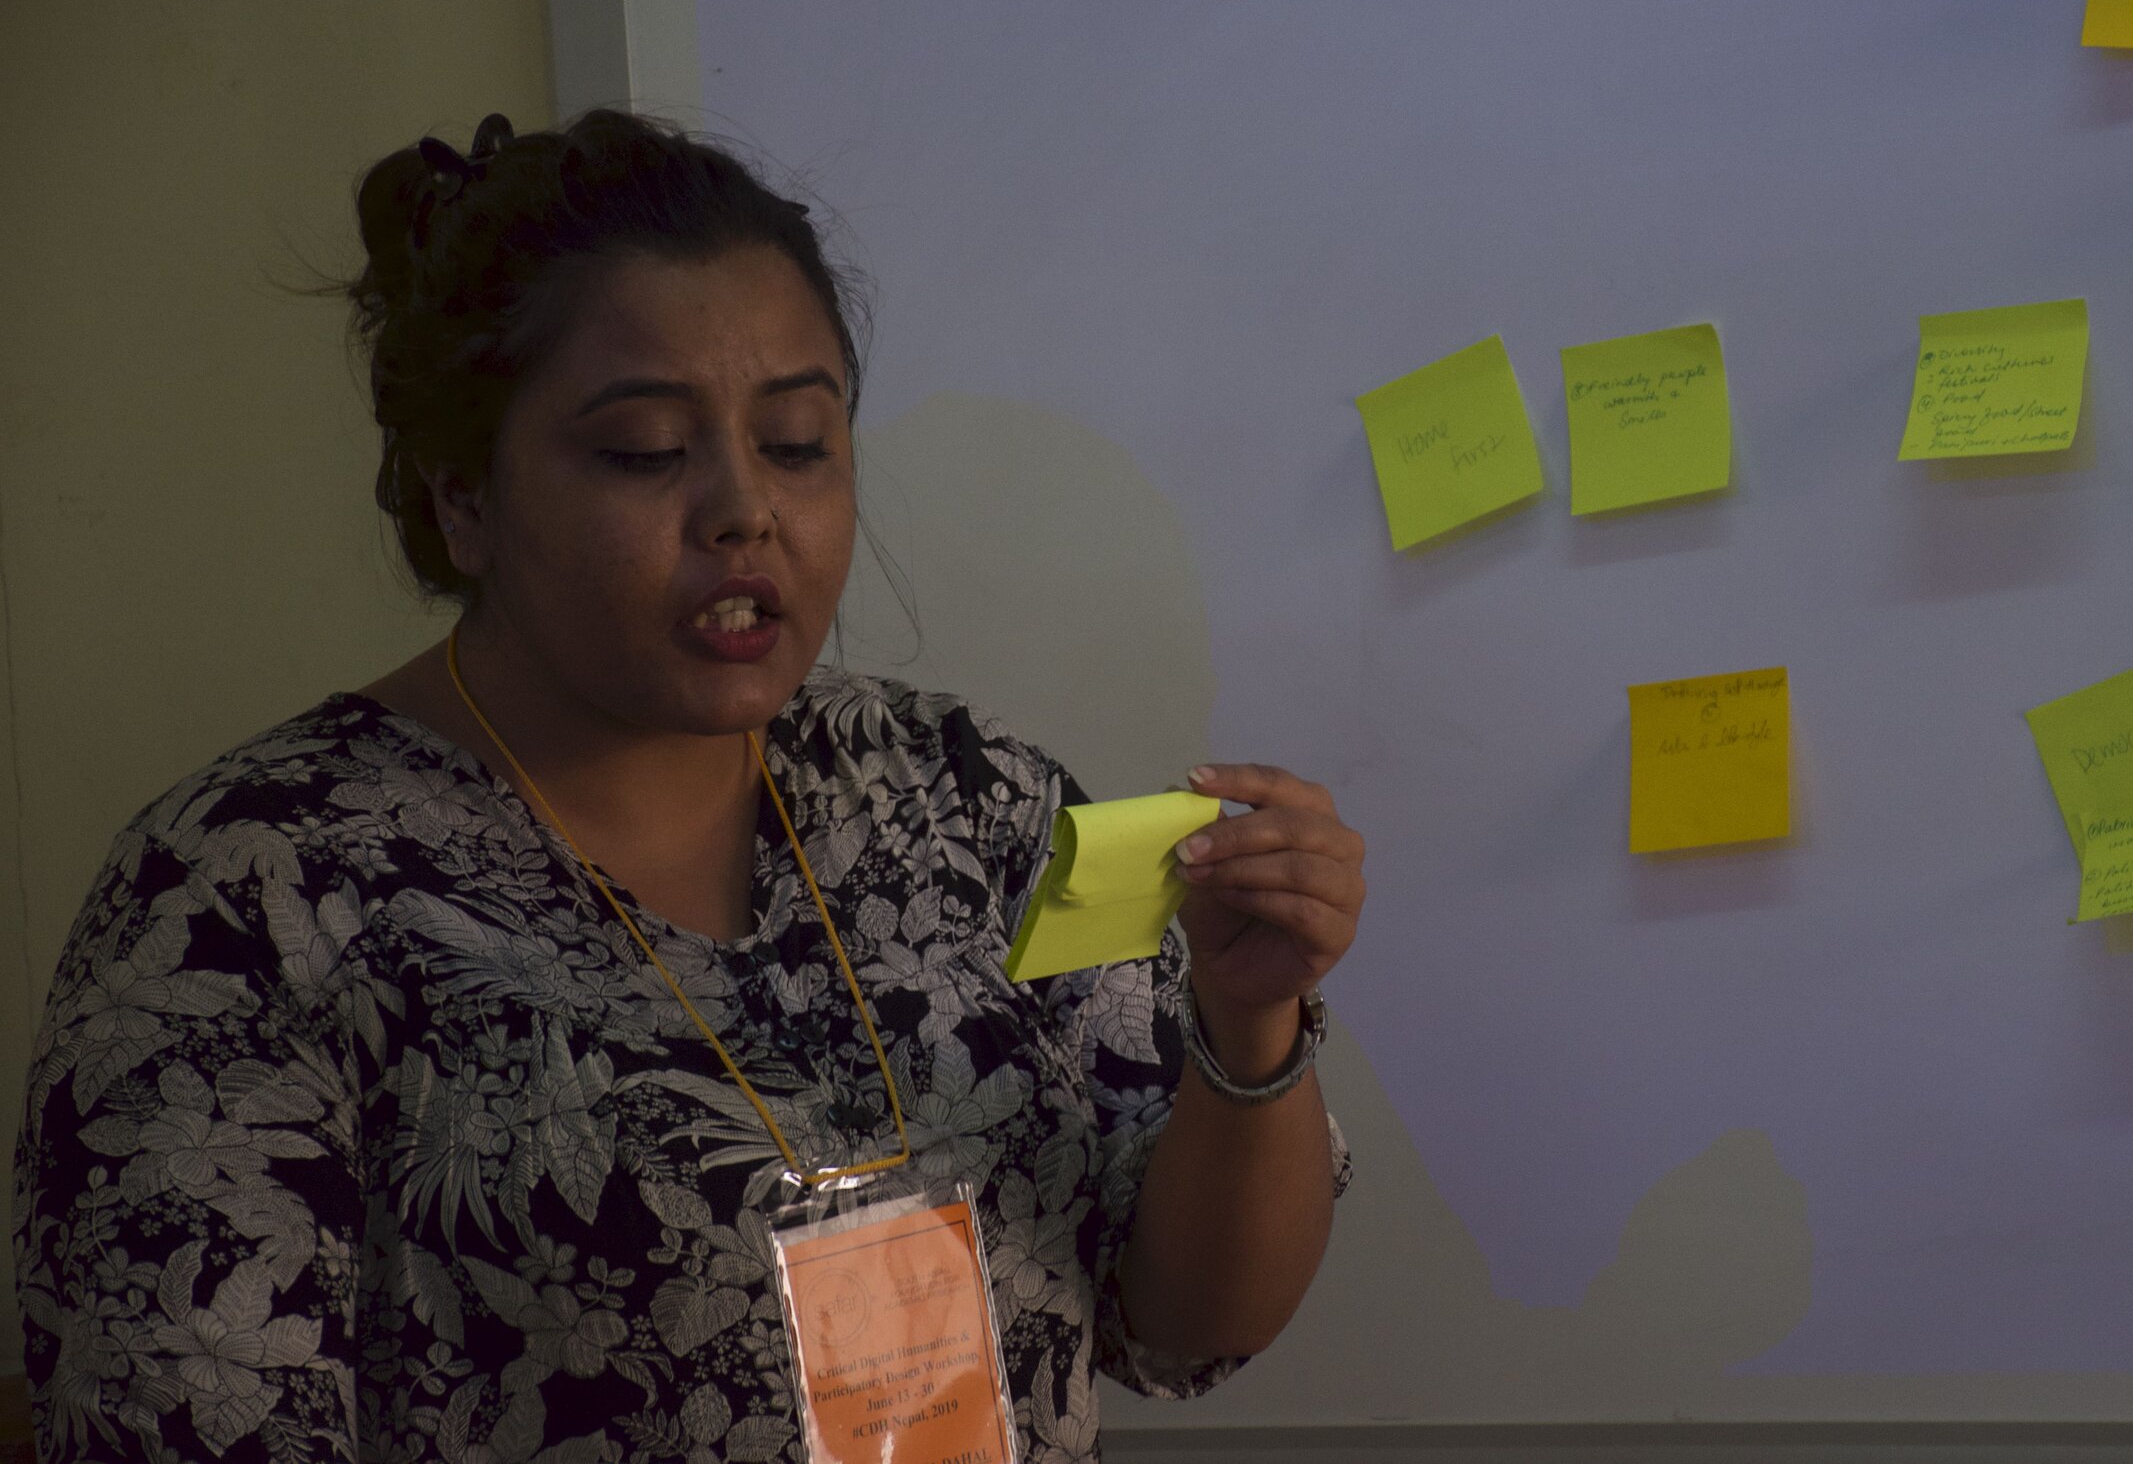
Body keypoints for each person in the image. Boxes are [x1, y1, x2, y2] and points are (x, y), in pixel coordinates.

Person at [10, 109, 1364, 1463]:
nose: (741, 511)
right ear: (462, 498)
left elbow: (1180, 1322)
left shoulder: (971, 801)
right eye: (649, 452)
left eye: (795, 444)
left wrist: (1246, 1032)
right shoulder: (244, 899)